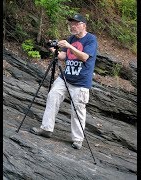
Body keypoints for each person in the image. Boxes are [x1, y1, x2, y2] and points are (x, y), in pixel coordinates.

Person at [30, 14, 98, 150]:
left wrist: (69, 46)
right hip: (65, 77)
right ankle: (46, 129)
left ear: (83, 25)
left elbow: (85, 57)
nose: (72, 26)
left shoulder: (91, 39)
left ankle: (78, 139)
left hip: (81, 80)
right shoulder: (71, 39)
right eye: (71, 24)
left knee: (78, 110)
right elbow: (64, 56)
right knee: (52, 96)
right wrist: (53, 50)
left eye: (75, 23)